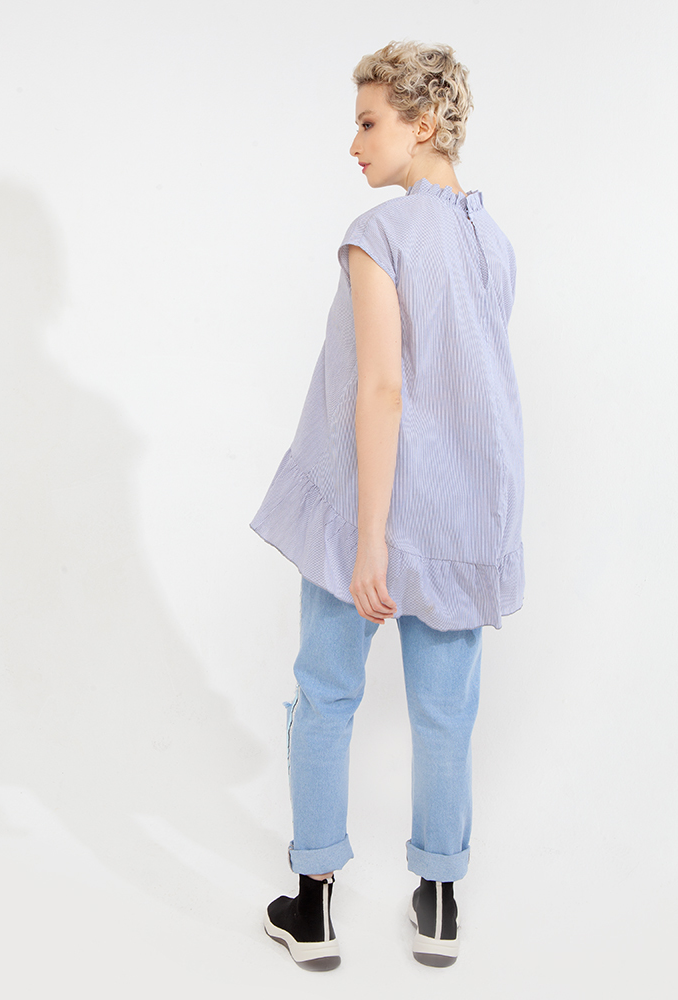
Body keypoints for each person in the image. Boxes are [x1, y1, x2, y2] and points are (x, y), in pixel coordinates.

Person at [249, 39, 524, 971]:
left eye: (370, 122)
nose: (355, 143)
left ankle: (313, 904)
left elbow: (380, 388)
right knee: (447, 712)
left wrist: (370, 539)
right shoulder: (492, 242)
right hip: (466, 513)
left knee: (326, 693)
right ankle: (439, 901)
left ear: (425, 123)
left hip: (369, 509)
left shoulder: (381, 233)